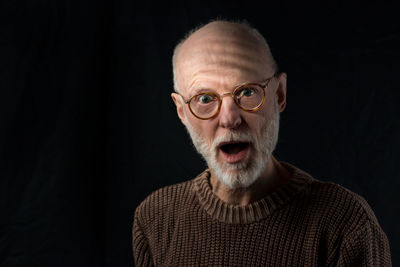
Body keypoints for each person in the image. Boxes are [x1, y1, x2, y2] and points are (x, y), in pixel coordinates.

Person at [133, 20, 391, 266]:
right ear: (181, 111)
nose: (230, 119)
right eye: (204, 98)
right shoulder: (156, 218)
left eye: (247, 92)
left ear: (279, 94)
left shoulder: (346, 224)